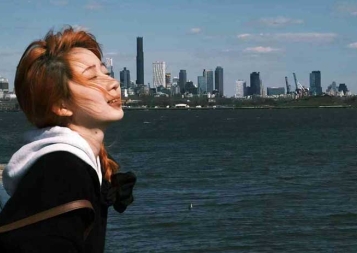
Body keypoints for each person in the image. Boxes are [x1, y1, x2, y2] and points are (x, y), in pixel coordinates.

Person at [0, 26, 136, 253]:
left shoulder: (71, 163)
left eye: (105, 73)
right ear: (60, 105)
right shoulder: (62, 173)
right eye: (92, 76)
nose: (113, 84)